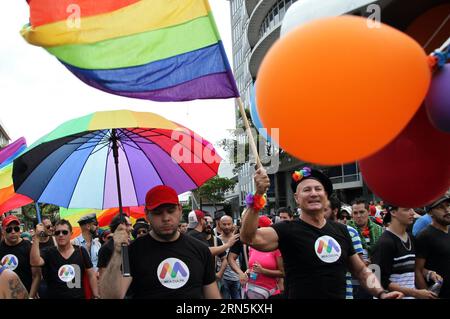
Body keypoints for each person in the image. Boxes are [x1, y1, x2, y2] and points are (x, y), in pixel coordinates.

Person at [240, 167, 403, 299]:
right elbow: (249, 237)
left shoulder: (342, 230)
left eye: (318, 189)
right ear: (297, 198)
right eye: (306, 190)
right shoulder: (286, 229)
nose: (313, 193)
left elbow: (361, 271)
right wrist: (259, 194)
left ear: (326, 197)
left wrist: (381, 293)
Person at [100, 185, 220, 299]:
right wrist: (117, 253)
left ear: (180, 210)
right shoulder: (133, 251)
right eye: (158, 212)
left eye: (170, 210)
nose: (166, 218)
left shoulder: (201, 250)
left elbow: (212, 295)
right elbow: (110, 296)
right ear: (147, 214)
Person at [372, 206, 437, 299]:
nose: (412, 213)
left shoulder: (411, 238)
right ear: (393, 212)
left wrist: (429, 273)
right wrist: (415, 293)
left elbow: (411, 267)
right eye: (407, 209)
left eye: (412, 209)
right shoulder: (384, 243)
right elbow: (376, 279)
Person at [31, 219, 100, 299]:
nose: (61, 235)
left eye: (64, 232)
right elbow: (34, 262)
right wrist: (36, 237)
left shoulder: (81, 251)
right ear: (54, 235)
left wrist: (96, 295)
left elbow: (91, 275)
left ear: (71, 234)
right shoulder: (48, 253)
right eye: (57, 232)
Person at [233, 215, 284, 299]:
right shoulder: (252, 246)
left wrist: (263, 271)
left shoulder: (276, 247)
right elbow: (251, 267)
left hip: (271, 293)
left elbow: (283, 273)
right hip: (251, 292)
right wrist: (246, 273)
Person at [324, 198, 364, 299]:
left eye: (325, 210)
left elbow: (358, 265)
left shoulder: (349, 232)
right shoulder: (314, 232)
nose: (320, 213)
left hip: (345, 291)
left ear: (335, 211)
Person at [415, 194, 450, 298]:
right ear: (430, 213)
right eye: (440, 207)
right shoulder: (425, 236)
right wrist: (427, 295)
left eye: (448, 205)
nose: (447, 210)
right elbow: (417, 270)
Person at [0, 215, 40, 298]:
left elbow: (36, 276)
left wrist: (31, 297)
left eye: (16, 229)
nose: (13, 232)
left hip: (26, 294)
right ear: (3, 231)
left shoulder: (29, 247)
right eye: (9, 229)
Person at [97, 214, 133, 283]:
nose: (132, 228)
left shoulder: (132, 245)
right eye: (129, 225)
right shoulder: (106, 248)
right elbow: (103, 275)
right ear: (120, 226)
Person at [217, 215, 242, 299]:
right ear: (219, 224)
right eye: (224, 224)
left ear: (232, 225)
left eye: (229, 224)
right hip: (223, 278)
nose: (227, 226)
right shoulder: (216, 240)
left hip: (236, 277)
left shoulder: (237, 239)